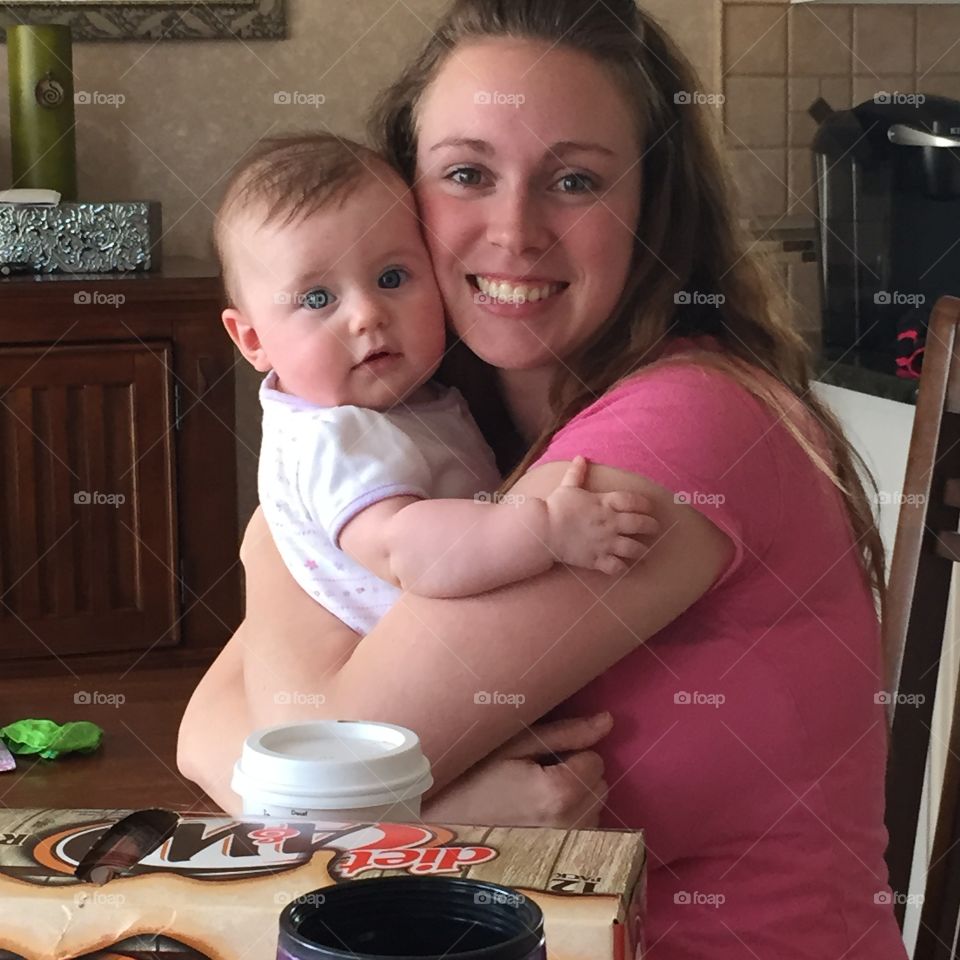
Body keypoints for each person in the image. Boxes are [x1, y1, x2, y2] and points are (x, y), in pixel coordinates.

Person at [179, 1, 906, 956]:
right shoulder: (455, 438)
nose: (514, 231)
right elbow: (205, 734)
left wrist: (274, 536)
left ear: (655, 208)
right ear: (406, 198)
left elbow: (322, 756)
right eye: (467, 174)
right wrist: (436, 823)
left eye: (575, 181)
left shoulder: (686, 426)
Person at [213, 133, 656, 636]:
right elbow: (406, 550)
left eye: (393, 278)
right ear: (252, 340)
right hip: (401, 696)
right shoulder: (334, 438)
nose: (367, 316)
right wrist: (546, 530)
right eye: (317, 299)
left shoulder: (404, 403)